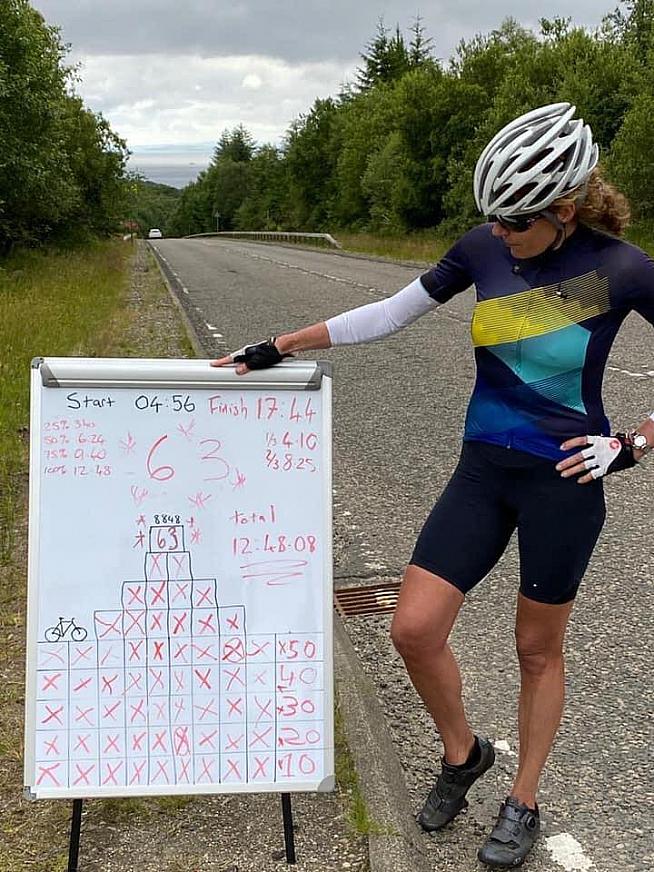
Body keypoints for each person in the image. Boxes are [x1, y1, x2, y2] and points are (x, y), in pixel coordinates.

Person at [211, 102, 654, 868]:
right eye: (494, 219)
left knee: (536, 650)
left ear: (564, 208)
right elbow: (390, 314)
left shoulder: (621, 269)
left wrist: (632, 445)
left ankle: (523, 800)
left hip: (562, 483)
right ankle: (462, 754)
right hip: (482, 471)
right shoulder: (483, 248)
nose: (501, 234)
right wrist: (279, 344)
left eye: (516, 221)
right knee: (412, 630)